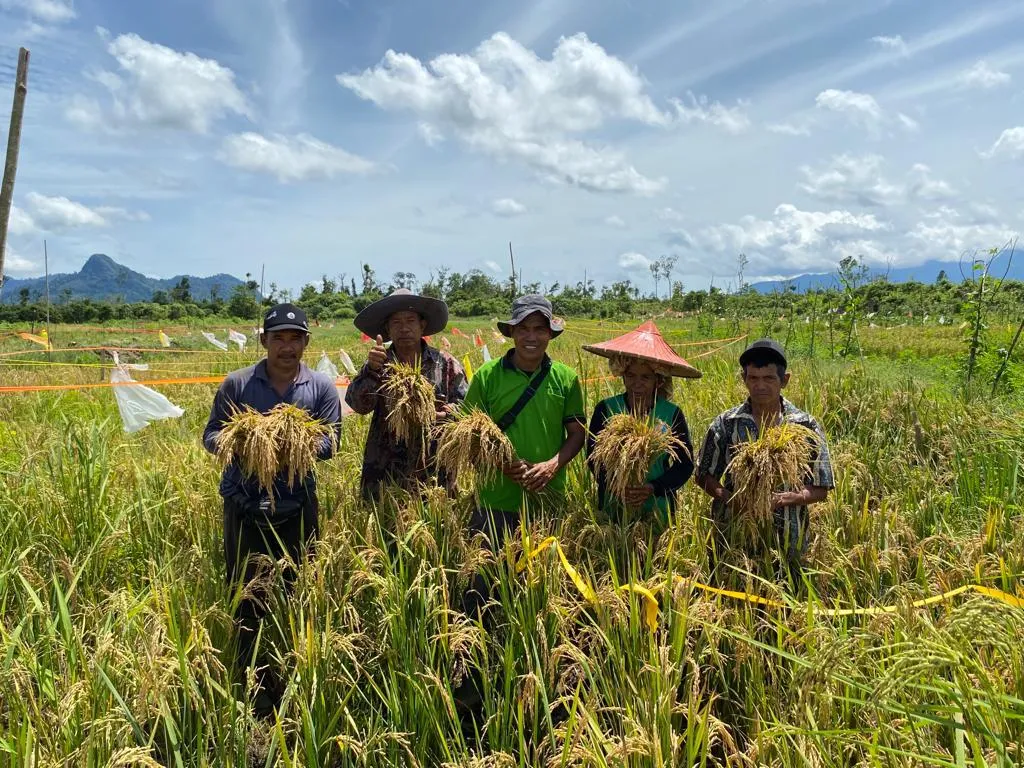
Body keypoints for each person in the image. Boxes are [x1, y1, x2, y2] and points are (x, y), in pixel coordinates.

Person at [203, 303, 341, 717]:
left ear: (305, 343)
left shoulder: (320, 387)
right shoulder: (238, 384)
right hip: (244, 504)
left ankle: (295, 671)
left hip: (298, 504)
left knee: (298, 588)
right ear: (263, 341)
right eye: (277, 338)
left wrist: (290, 444)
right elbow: (211, 436)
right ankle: (253, 680)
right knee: (246, 592)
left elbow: (332, 443)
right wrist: (247, 441)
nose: (286, 347)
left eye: (294, 338)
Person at [695, 339, 834, 587]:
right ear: (744, 379)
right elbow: (703, 475)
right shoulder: (726, 423)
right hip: (733, 536)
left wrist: (783, 499)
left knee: (787, 601)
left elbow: (821, 488)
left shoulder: (805, 426)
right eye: (753, 378)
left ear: (785, 380)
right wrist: (729, 498)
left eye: (769, 378)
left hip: (789, 540)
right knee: (732, 597)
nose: (760, 386)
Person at [345, 288, 467, 500]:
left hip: (435, 470)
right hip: (384, 472)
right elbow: (358, 405)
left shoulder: (445, 364)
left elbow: (466, 407)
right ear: (387, 330)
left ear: (422, 325)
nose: (404, 329)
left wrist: (444, 415)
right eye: (396, 323)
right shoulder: (379, 363)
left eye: (410, 321)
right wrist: (371, 372)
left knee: (438, 526)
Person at [583, 321, 698, 532]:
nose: (637, 383)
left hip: (658, 506)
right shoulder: (607, 409)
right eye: (631, 376)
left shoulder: (670, 414)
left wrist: (654, 488)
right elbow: (593, 458)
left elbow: (685, 464)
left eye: (645, 377)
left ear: (659, 380)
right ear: (622, 375)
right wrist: (617, 485)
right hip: (613, 503)